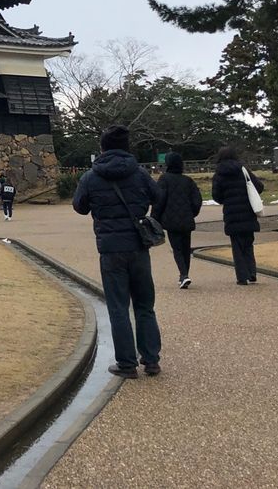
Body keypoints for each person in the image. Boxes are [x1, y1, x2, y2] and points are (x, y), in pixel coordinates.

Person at [73, 124, 163, 378]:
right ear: (126, 148)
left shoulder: (91, 176)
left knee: (118, 306)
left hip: (111, 248)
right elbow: (158, 197)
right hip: (138, 244)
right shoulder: (140, 173)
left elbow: (79, 206)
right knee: (145, 304)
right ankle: (151, 359)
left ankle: (127, 363)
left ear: (102, 148)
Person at [211, 146, 264, 285]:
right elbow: (259, 186)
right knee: (248, 244)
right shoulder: (243, 170)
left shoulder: (219, 174)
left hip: (231, 214)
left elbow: (216, 196)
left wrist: (227, 198)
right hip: (247, 211)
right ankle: (252, 272)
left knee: (237, 246)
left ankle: (242, 276)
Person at [153, 152, 202, 289]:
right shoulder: (188, 181)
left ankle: (183, 274)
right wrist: (192, 213)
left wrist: (154, 218)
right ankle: (185, 273)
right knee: (186, 248)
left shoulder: (164, 179)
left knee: (177, 248)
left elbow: (159, 200)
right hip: (186, 219)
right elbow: (197, 200)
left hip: (170, 220)